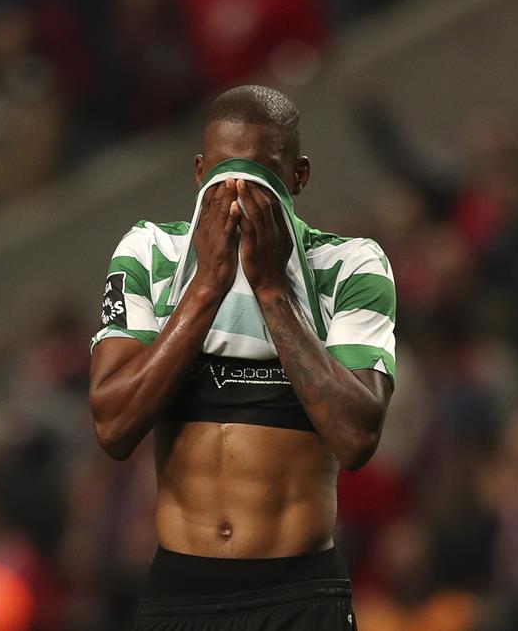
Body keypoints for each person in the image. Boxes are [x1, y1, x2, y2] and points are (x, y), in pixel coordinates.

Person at [88, 84, 397, 629]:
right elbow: (113, 427)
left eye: (262, 173)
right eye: (222, 171)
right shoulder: (150, 252)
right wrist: (207, 285)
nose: (238, 190)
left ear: (298, 176)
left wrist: (273, 289)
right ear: (198, 170)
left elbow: (356, 438)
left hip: (299, 597)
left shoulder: (350, 265)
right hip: (181, 596)